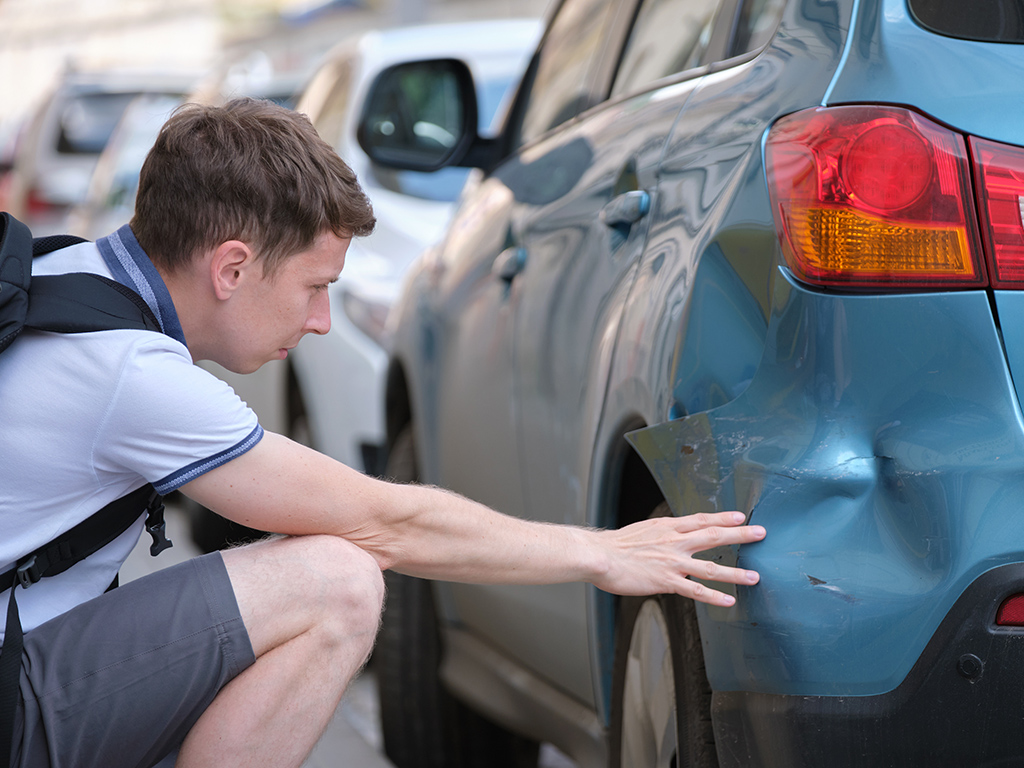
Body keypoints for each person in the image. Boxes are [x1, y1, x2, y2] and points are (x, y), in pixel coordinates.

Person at [0, 97, 766, 768]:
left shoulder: (68, 274)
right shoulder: (132, 373)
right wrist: (599, 551)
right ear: (232, 268)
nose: (322, 322)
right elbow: (385, 521)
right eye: (315, 287)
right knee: (336, 583)